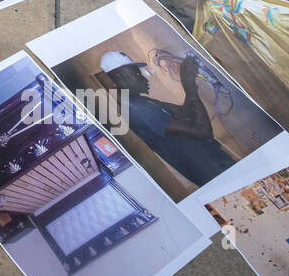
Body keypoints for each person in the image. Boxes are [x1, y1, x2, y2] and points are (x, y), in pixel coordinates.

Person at [99, 49, 235, 186]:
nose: (142, 76)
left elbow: (186, 111)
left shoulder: (141, 102)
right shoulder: (136, 109)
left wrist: (188, 80)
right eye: (135, 72)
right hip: (213, 172)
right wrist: (188, 84)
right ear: (120, 76)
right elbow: (203, 131)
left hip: (214, 164)